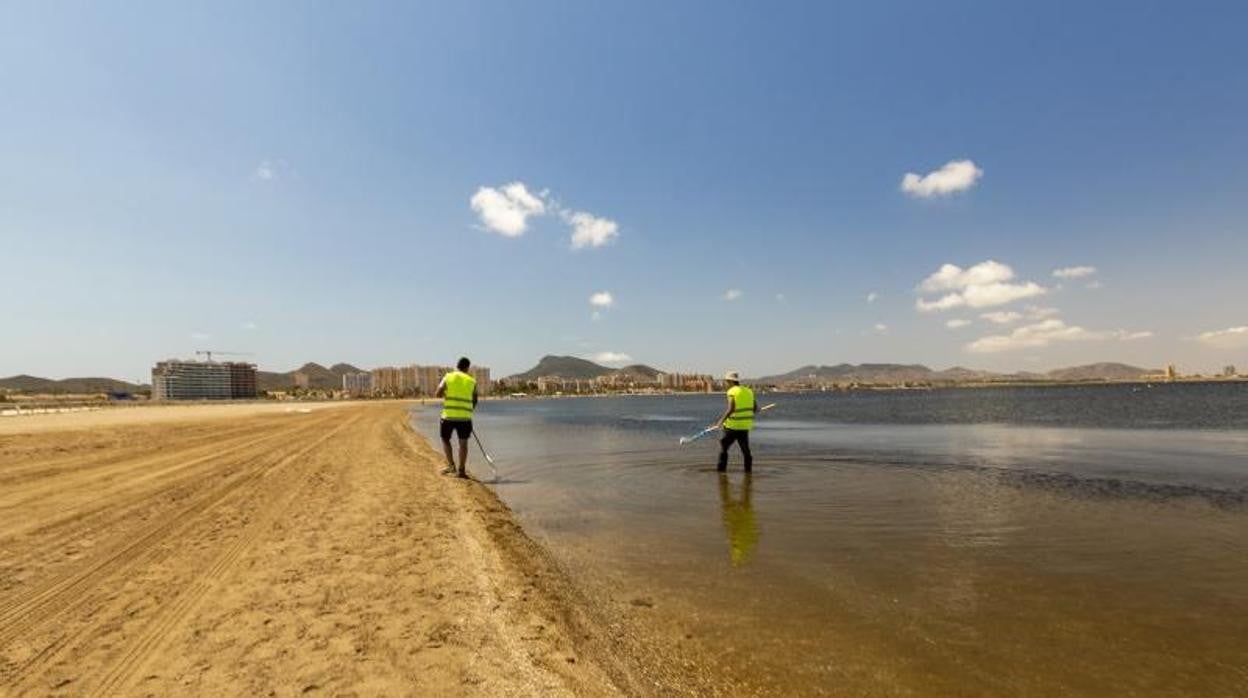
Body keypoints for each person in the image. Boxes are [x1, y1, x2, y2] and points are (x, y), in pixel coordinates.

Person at [436, 357, 478, 478]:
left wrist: (446, 394)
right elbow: (475, 400)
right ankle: (461, 471)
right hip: (465, 418)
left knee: (445, 439)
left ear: (457, 366)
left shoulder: (448, 376)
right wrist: (468, 411)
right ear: (467, 368)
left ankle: (451, 466)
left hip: (448, 416)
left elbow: (437, 394)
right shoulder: (472, 381)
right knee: (463, 444)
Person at [714, 371, 758, 472]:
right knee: (746, 451)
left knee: (724, 447)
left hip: (732, 426)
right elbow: (755, 408)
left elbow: (731, 409)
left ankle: (721, 472)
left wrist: (721, 421)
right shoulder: (749, 391)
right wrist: (755, 409)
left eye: (726, 381)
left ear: (730, 381)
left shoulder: (732, 391)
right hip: (744, 426)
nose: (726, 383)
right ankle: (748, 472)